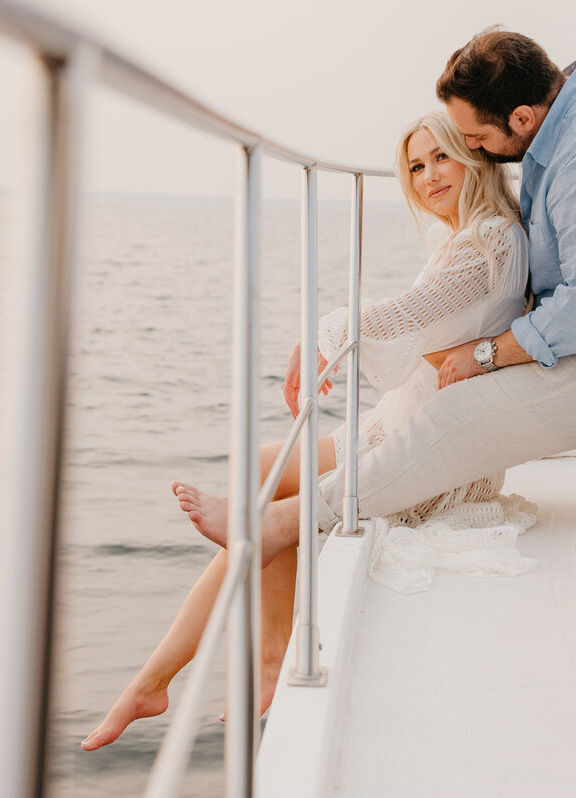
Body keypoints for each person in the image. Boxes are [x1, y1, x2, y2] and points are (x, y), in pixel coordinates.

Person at [181, 29, 576, 571]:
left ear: (522, 117)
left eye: (473, 138)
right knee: (446, 402)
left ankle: (282, 525)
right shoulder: (568, 127)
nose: (472, 149)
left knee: (459, 410)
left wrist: (488, 353)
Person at [82, 110, 530, 751]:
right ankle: (259, 657)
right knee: (259, 465)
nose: (429, 175)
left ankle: (155, 679)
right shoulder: (467, 239)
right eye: (415, 166)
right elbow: (424, 341)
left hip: (432, 454)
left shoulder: (489, 241)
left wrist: (323, 331)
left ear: (473, 156)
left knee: (259, 507)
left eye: (442, 157)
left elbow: (402, 320)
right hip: (409, 421)